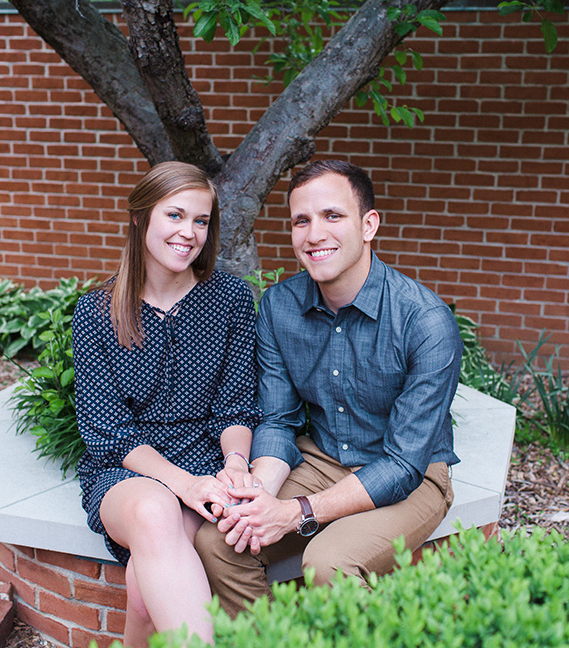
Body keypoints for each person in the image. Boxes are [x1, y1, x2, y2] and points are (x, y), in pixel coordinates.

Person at [194, 159, 463, 617]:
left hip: (412, 474)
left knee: (329, 564)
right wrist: (259, 497)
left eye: (332, 216)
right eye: (302, 220)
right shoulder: (280, 306)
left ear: (369, 224)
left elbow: (403, 463)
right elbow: (278, 420)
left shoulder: (425, 322)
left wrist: (293, 512)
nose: (314, 234)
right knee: (221, 541)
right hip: (322, 459)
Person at [72, 161, 262, 646]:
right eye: (175, 216)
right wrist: (185, 485)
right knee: (156, 512)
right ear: (141, 218)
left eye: (201, 221)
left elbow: (236, 407)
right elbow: (108, 433)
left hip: (204, 460)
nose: (189, 233)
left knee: (142, 592)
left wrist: (236, 464)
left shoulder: (231, 300)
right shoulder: (98, 312)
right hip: (124, 472)